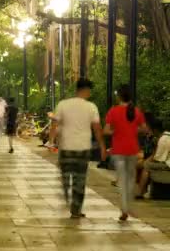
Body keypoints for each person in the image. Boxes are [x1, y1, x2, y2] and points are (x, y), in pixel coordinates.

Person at [47, 79, 107, 219]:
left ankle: (66, 186)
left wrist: (51, 142)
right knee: (80, 179)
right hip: (83, 148)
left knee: (66, 172)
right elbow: (97, 129)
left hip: (66, 147)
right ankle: (76, 209)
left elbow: (54, 125)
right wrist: (103, 146)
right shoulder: (91, 107)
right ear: (86, 90)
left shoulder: (63, 104)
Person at [104, 84, 147, 221]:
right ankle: (127, 206)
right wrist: (134, 130)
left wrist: (116, 131)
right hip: (133, 150)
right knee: (130, 180)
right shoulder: (137, 111)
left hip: (118, 150)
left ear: (119, 96)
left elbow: (106, 131)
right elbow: (144, 129)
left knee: (122, 180)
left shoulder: (113, 111)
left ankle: (124, 208)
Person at [136, 118, 164, 198]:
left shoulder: (161, 139)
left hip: (164, 162)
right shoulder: (156, 137)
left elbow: (156, 155)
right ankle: (140, 189)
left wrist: (146, 161)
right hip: (157, 158)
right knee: (137, 163)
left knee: (146, 166)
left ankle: (140, 191)